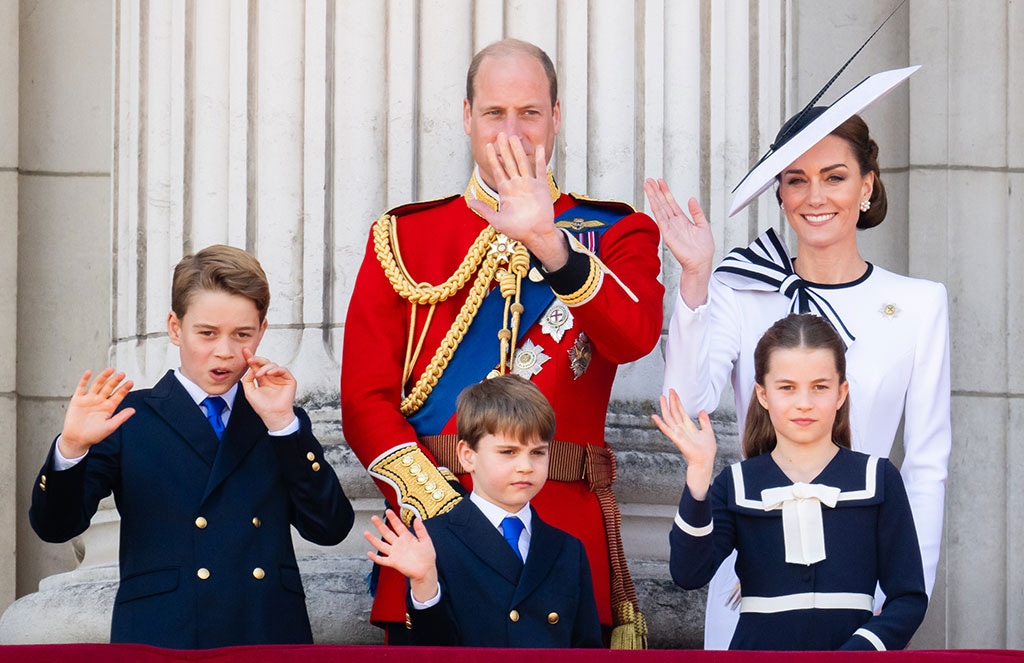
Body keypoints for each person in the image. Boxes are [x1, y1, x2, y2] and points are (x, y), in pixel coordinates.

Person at [341, 38, 662, 647]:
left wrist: (551, 245)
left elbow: (634, 336)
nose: (512, 133)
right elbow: (362, 401)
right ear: (466, 117)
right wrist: (447, 516)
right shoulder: (404, 237)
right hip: (429, 535)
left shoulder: (616, 232)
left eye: (530, 113)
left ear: (557, 116)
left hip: (561, 537)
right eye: (494, 113)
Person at [645, 68, 950, 648]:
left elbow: (927, 465)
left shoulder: (918, 304)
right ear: (779, 193)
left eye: (835, 177)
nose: (815, 197)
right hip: (752, 578)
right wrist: (693, 283)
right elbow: (688, 404)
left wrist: (900, 600)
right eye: (796, 179)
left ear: (866, 186)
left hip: (863, 587)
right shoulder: (740, 288)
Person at [29, 245, 355, 649]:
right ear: (174, 327)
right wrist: (72, 448)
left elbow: (331, 528)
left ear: (262, 331)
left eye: (242, 335)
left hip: (264, 632)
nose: (224, 351)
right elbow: (55, 526)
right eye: (207, 333)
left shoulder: (278, 419)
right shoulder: (128, 417)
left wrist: (284, 426)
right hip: (165, 635)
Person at [657, 313, 928, 650]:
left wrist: (859, 653)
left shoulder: (878, 478)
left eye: (820, 387)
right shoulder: (737, 484)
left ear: (841, 393)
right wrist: (698, 473)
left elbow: (909, 598)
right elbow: (688, 574)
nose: (804, 403)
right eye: (787, 388)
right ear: (763, 394)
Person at [364, 375, 602, 648]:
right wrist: (424, 583)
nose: (525, 466)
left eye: (537, 453)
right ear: (468, 455)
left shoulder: (568, 550)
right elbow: (431, 650)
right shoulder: (433, 540)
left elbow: (587, 650)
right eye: (508, 452)